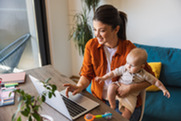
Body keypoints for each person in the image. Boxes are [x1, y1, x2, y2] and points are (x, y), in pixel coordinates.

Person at [64, 4, 155, 121]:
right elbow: (86, 75)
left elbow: (150, 79)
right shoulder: (91, 46)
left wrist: (130, 89)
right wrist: (79, 86)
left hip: (124, 104)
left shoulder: (129, 50)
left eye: (102, 30)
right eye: (95, 29)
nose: (96, 35)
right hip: (98, 100)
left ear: (116, 29)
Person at [95, 48, 170, 120]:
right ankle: (112, 105)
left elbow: (155, 81)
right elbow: (113, 73)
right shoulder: (125, 68)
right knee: (111, 87)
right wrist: (103, 78)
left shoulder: (144, 74)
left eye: (132, 65)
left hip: (131, 95)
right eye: (127, 63)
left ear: (141, 66)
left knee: (128, 112)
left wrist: (164, 89)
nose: (128, 66)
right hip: (119, 85)